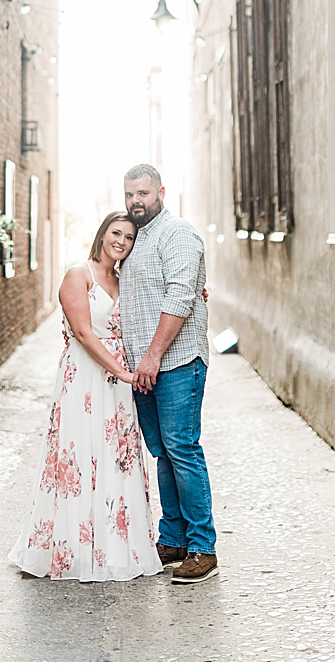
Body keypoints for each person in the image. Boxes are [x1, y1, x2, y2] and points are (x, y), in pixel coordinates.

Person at [8, 212, 163, 581]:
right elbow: (82, 332)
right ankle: (71, 548)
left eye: (128, 236)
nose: (121, 241)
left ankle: (115, 545)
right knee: (78, 454)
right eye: (115, 233)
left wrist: (199, 291)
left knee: (115, 456)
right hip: (86, 378)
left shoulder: (126, 279)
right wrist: (123, 372)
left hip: (117, 386)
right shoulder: (79, 274)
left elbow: (159, 304)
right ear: (102, 234)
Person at [119, 163, 216, 584]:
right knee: (163, 452)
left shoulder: (178, 234)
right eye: (129, 195)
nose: (136, 201)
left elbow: (180, 297)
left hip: (175, 364)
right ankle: (173, 538)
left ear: (160, 191)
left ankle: (202, 548)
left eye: (142, 193)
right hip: (146, 368)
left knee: (182, 449)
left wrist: (153, 355)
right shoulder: (137, 237)